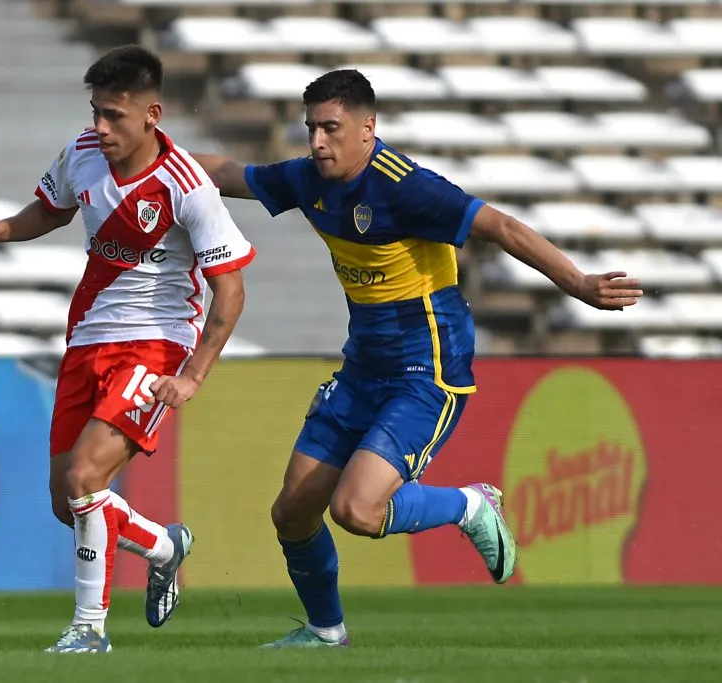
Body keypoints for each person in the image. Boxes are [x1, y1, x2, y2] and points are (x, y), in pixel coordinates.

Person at [191, 68, 643, 649]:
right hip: (362, 368)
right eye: (311, 129)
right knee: (293, 513)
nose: (317, 142)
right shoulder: (309, 178)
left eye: (330, 128)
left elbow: (500, 225)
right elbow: (229, 174)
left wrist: (578, 283)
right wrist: (154, 156)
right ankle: (327, 632)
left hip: (426, 369)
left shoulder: (405, 186)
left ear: (367, 128)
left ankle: (468, 504)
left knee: (356, 509)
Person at [0, 45, 256, 653]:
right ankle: (164, 547)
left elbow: (231, 292)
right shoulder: (82, 155)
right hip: (87, 338)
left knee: (88, 477)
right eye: (95, 112)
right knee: (70, 502)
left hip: (157, 345)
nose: (99, 127)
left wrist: (192, 376)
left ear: (152, 114)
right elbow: (50, 210)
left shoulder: (187, 185)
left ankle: (88, 630)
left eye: (113, 115)